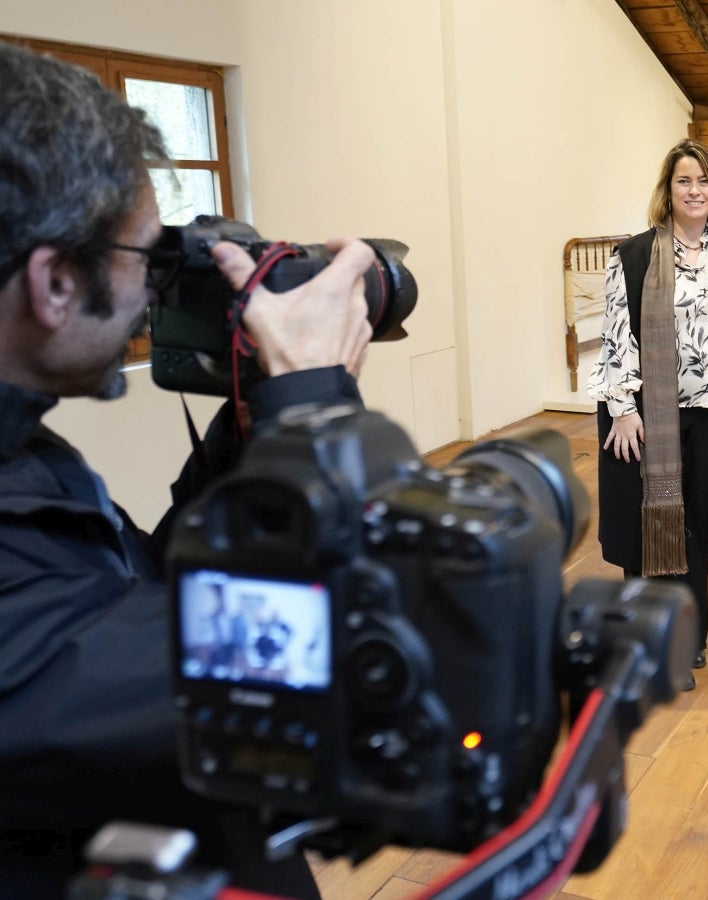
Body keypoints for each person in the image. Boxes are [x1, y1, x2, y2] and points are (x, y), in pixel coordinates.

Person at [0, 43, 375, 896]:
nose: (155, 293)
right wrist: (315, 408)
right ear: (55, 280)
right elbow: (322, 677)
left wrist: (250, 433)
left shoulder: (26, 451)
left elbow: (140, 606)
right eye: (147, 258)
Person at [587, 139, 708, 691]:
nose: (694, 190)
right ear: (668, 190)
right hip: (651, 420)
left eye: (703, 181)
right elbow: (614, 339)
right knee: (647, 530)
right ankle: (644, 640)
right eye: (684, 180)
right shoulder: (633, 255)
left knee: (695, 529)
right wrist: (623, 410)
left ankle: (690, 635)